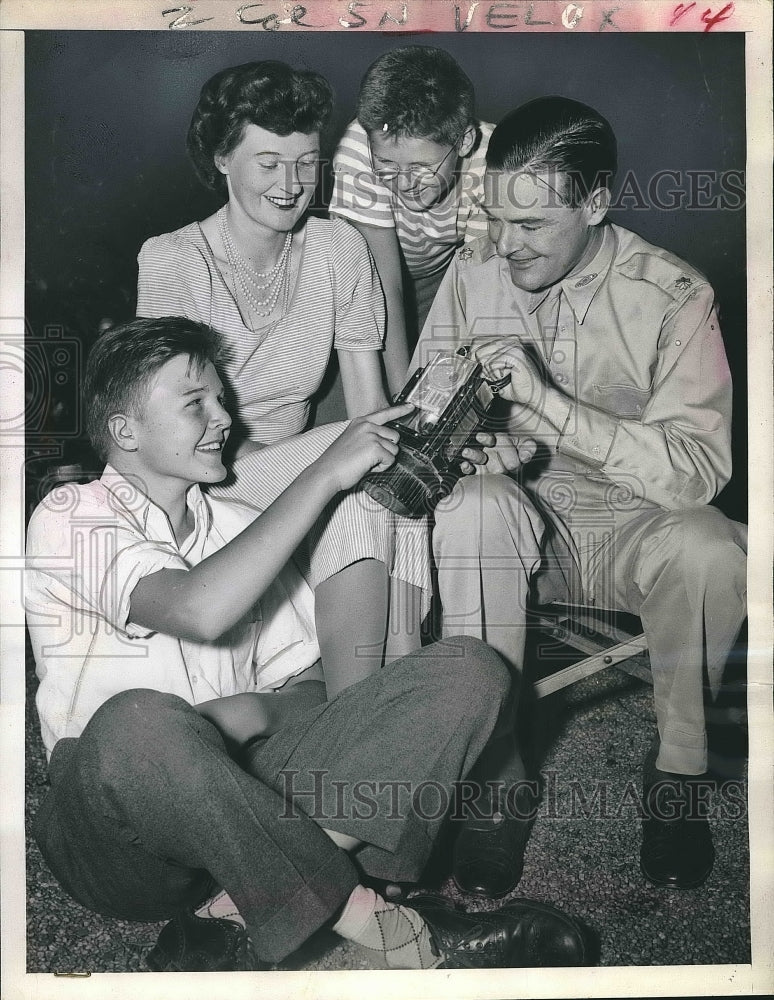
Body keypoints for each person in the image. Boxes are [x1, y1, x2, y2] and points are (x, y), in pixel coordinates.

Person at [25, 316, 589, 972]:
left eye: (222, 399)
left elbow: (314, 689)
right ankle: (389, 925)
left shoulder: (235, 527)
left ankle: (239, 905)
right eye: (195, 403)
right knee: (139, 722)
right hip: (119, 837)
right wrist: (325, 472)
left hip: (245, 794)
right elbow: (196, 609)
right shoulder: (71, 515)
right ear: (125, 431)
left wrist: (250, 716)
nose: (225, 417)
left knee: (471, 669)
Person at [413, 97, 748, 892]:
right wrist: (469, 438)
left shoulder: (676, 295)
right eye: (497, 219)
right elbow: (424, 389)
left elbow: (699, 471)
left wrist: (548, 409)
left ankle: (677, 775)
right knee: (475, 507)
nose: (505, 244)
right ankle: (499, 779)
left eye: (531, 227)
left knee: (715, 547)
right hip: (524, 526)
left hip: (638, 531)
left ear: (596, 204)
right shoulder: (475, 269)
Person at [137, 60, 428, 699]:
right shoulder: (171, 259)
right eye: (268, 163)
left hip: (300, 464)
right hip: (210, 478)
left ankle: (398, 703)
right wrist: (322, 462)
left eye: (306, 163)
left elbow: (368, 405)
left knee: (386, 470)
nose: (291, 184)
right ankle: (366, 717)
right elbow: (168, 435)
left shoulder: (340, 247)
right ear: (222, 160)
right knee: (357, 468)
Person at [329, 45, 493, 387]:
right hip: (369, 281)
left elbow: (481, 285)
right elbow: (384, 287)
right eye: (386, 164)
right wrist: (404, 397)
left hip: (443, 277)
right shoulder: (358, 151)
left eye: (421, 166)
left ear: (464, 142)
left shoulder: (494, 162)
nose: (403, 183)